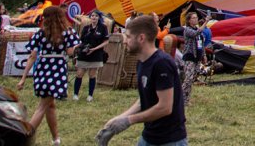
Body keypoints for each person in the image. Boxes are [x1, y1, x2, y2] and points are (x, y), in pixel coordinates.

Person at [97, 13, 187, 146]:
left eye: (128, 37)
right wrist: (119, 119)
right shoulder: (141, 62)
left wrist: (129, 120)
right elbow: (145, 99)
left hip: (170, 140)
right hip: (149, 137)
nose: (124, 40)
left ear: (141, 38)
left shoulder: (162, 63)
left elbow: (165, 107)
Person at [17, 5, 79, 146]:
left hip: (42, 70)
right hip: (57, 70)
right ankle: (24, 136)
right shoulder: (67, 32)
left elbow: (32, 56)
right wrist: (76, 49)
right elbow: (70, 52)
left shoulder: (40, 33)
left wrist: (23, 78)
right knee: (42, 107)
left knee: (50, 105)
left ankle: (55, 138)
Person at [73, 11, 109, 101]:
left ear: (99, 17)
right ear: (90, 17)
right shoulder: (86, 28)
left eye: (96, 16)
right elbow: (82, 41)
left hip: (96, 53)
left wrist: (95, 49)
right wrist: (76, 46)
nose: (94, 17)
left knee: (92, 75)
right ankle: (75, 94)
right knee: (79, 74)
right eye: (92, 16)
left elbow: (106, 41)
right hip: (84, 53)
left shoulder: (103, 28)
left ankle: (90, 95)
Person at [178, 11, 207, 106]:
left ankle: (186, 100)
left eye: (196, 17)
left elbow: (201, 44)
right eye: (193, 18)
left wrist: (204, 55)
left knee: (192, 79)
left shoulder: (197, 29)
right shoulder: (187, 30)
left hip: (197, 57)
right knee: (188, 79)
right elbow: (195, 33)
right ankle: (179, 98)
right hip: (189, 57)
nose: (196, 19)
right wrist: (206, 22)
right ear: (189, 20)